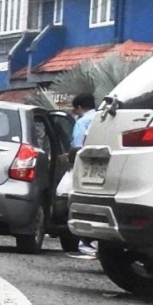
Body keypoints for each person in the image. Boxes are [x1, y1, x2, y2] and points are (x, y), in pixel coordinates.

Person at [67, 92, 98, 258]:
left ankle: (86, 244)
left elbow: (77, 146)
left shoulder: (82, 122)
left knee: (79, 201)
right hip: (101, 167)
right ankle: (95, 244)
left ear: (79, 107)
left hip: (83, 166)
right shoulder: (101, 119)